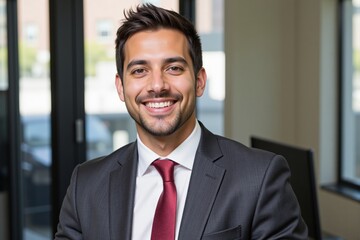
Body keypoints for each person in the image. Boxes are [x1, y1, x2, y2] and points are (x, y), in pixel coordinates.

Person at [55, 3, 308, 240]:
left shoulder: (260, 178)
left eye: (173, 68)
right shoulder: (85, 186)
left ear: (199, 81)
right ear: (121, 87)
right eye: (139, 71)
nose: (157, 86)